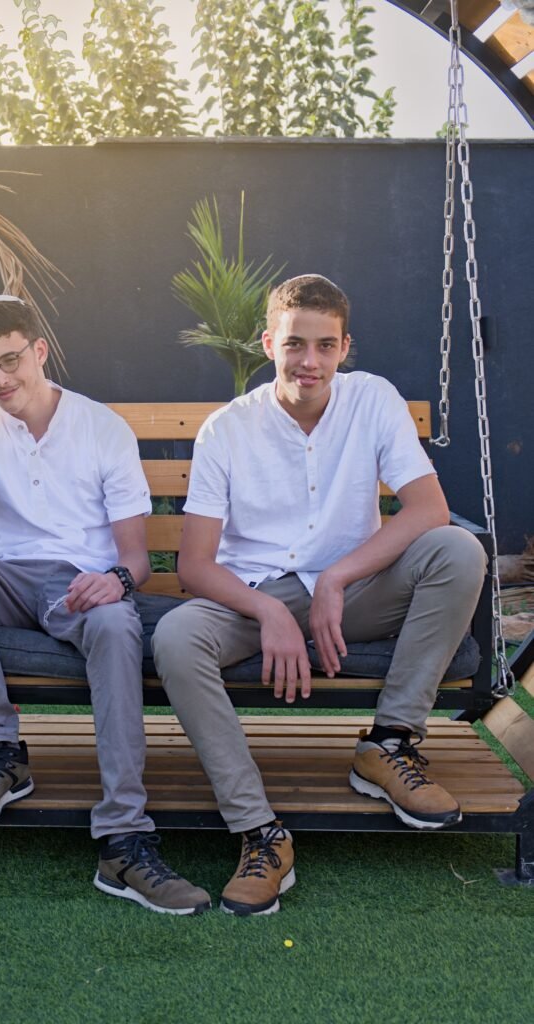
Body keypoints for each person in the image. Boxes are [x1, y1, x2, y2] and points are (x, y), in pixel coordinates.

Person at [152, 274, 487, 917]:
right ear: (268, 342)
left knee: (458, 549)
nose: (310, 362)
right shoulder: (228, 429)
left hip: (355, 595)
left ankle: (387, 745)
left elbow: (428, 510)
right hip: (254, 600)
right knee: (175, 634)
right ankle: (260, 834)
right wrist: (271, 609)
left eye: (325, 346)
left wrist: (335, 577)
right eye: (295, 344)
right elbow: (194, 565)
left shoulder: (373, 401)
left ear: (344, 346)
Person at [0, 295, 211, 916]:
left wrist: (115, 582)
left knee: (112, 619)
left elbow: (136, 561)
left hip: (78, 587)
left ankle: (122, 836)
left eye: (11, 360)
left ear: (39, 351)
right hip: (1, 582)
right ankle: (2, 751)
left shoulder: (101, 427)